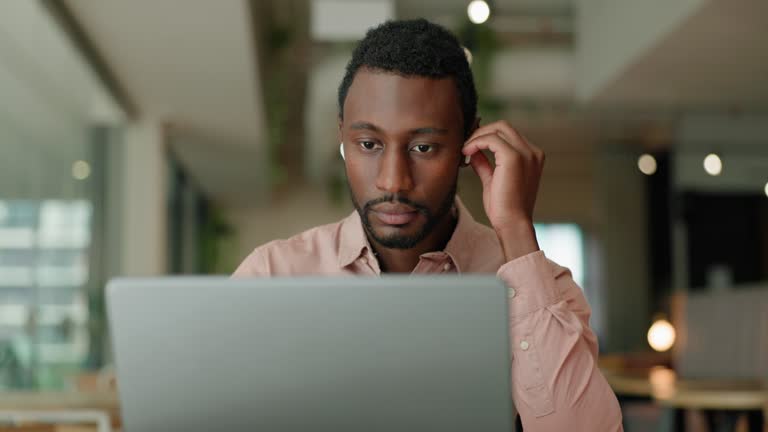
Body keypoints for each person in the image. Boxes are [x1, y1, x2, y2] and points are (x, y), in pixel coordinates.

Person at [234, 18, 622, 431]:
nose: (393, 180)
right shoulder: (271, 275)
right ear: (342, 137)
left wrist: (514, 228)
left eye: (424, 147)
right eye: (368, 144)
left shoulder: (543, 290)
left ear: (467, 146)